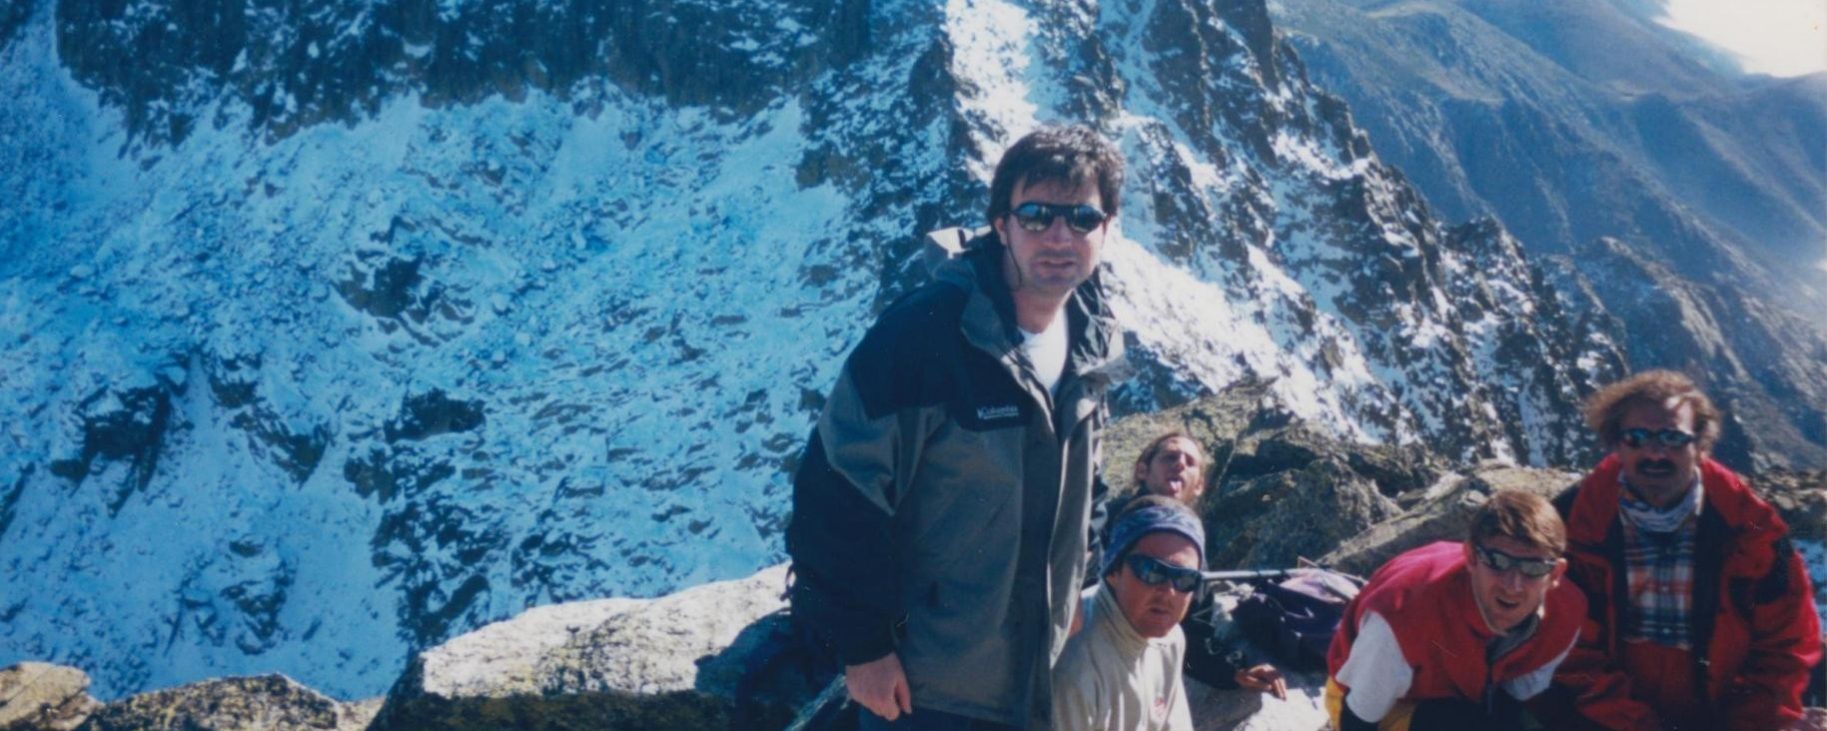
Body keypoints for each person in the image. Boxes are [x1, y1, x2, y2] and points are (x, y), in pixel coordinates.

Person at [785, 124, 1128, 730]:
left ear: (1107, 227)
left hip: (1034, 674)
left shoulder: (1093, 333)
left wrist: (1083, 577)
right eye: (1036, 214)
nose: (1058, 236)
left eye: (1080, 217)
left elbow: (1087, 474)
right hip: (927, 685)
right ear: (1001, 224)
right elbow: (834, 496)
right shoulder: (925, 337)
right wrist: (863, 649)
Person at [1542, 370, 1823, 730]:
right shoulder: (1572, 525)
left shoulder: (1752, 529)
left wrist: (1752, 721)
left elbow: (1786, 642)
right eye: (1637, 437)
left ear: (1700, 447)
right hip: (1607, 718)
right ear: (1615, 443)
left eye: (1673, 437)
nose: (1655, 452)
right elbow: (1564, 648)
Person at [1324, 490, 1585, 731]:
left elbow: (1511, 698)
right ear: (1471, 557)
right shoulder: (1404, 616)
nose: (1513, 586)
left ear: (1555, 574)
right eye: (1497, 562)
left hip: (1466, 695)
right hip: (1369, 703)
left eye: (1533, 568)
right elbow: (1358, 717)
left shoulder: (1566, 615)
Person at [1053, 496, 1206, 731]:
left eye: (1185, 579)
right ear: (1113, 570)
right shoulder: (1075, 664)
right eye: (1152, 571)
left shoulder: (1171, 638)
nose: (1169, 591)